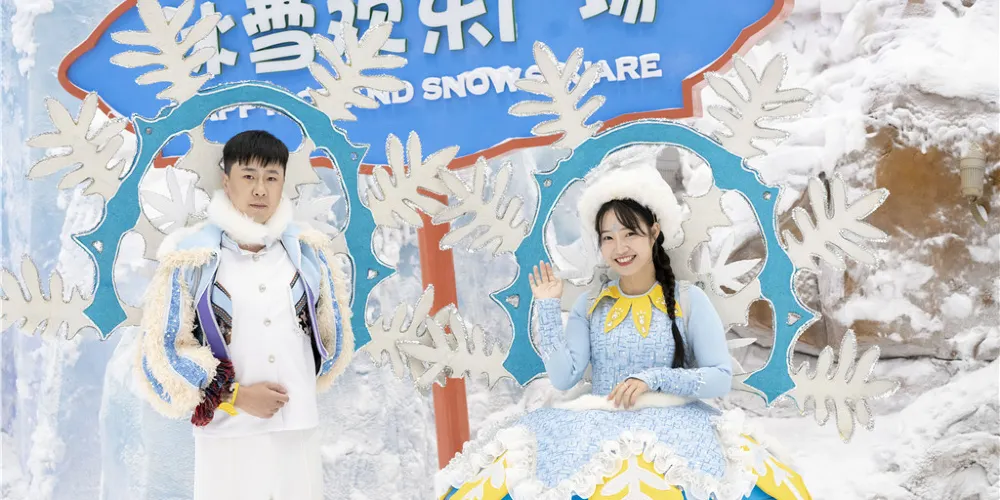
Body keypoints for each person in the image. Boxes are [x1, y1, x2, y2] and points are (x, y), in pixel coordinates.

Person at [437, 159, 811, 500]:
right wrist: (548, 307)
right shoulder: (591, 305)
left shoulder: (689, 300)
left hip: (676, 426)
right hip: (596, 426)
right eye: (608, 237)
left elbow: (718, 377)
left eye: (630, 233)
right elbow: (564, 377)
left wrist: (653, 379)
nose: (620, 247)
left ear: (654, 231)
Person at [135, 130, 353, 500]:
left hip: (298, 428)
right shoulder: (191, 258)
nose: (260, 190)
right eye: (248, 176)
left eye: (272, 178)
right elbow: (162, 350)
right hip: (227, 435)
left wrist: (300, 377)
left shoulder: (309, 254)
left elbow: (331, 338)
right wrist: (233, 396)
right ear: (227, 180)